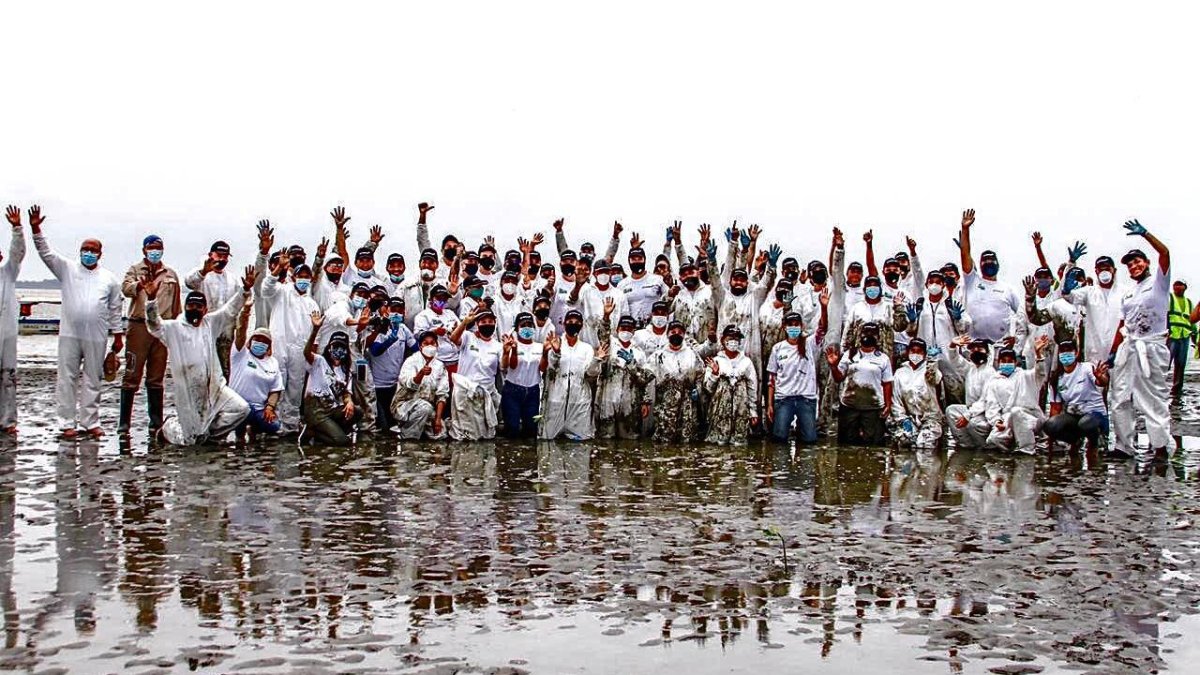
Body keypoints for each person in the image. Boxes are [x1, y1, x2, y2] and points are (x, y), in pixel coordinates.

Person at [31, 206, 125, 439]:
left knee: (93, 378)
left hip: (97, 335)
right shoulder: (67, 269)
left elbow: (115, 309)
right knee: (67, 377)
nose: (88, 253)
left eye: (93, 250)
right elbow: (46, 253)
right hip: (70, 334)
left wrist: (118, 336)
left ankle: (90, 422)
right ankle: (66, 423)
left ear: (100, 254)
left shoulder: (109, 279)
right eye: (85, 249)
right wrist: (36, 229)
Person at [146, 266, 254, 445]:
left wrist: (245, 290)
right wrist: (151, 300)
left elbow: (230, 310)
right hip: (189, 392)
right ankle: (168, 429)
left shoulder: (211, 323)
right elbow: (153, 324)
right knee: (191, 442)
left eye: (198, 306)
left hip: (215, 387)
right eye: (191, 305)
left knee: (242, 409)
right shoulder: (173, 328)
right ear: (185, 307)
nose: (194, 309)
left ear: (205, 309)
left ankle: (212, 435)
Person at [1108, 220, 1173, 458]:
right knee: (1120, 395)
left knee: (1153, 397)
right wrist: (1113, 353)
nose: (1134, 266)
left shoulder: (1158, 283)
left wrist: (1145, 233)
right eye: (1130, 264)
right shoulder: (1129, 292)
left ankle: (1161, 446)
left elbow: (1165, 253)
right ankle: (1123, 446)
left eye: (1137, 261)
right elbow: (1123, 324)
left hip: (1152, 347)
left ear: (1146, 263)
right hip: (1130, 346)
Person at [119, 234, 181, 435]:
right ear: (144, 250)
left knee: (156, 376)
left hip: (162, 327)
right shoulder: (135, 270)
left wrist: (175, 329)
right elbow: (126, 290)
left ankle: (155, 421)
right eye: (151, 248)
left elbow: (176, 305)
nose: (155, 251)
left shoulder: (170, 274)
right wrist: (140, 285)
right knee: (132, 374)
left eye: (158, 248)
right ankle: (124, 423)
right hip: (139, 326)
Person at [261, 262, 320, 434]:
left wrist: (312, 355)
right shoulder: (282, 291)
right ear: (293, 277)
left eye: (306, 277)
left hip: (299, 350)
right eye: (300, 276)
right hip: (279, 345)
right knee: (277, 383)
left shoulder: (312, 304)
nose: (303, 279)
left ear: (311, 279)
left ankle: (291, 425)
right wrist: (277, 270)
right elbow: (266, 289)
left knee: (295, 386)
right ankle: (272, 423)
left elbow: (316, 333)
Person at [957, 209, 1022, 344]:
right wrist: (965, 229)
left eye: (992, 260)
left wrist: (1016, 338)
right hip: (973, 346)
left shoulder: (1008, 289)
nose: (989, 262)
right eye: (985, 260)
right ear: (979, 265)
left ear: (998, 264)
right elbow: (965, 254)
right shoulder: (972, 281)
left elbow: (1022, 315)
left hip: (999, 347)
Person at [767, 302, 828, 444]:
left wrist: (824, 307)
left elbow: (822, 328)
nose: (793, 327)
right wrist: (770, 404)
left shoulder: (810, 344)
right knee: (779, 439)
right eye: (790, 325)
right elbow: (772, 378)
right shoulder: (778, 348)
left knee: (809, 440)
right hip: (783, 398)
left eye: (796, 324)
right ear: (784, 327)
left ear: (801, 326)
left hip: (806, 398)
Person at [539, 310, 604, 440]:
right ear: (563, 323)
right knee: (548, 442)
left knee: (582, 443)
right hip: (556, 399)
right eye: (570, 321)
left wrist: (596, 360)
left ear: (581, 325)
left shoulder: (587, 348)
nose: (573, 324)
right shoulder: (554, 343)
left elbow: (590, 373)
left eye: (577, 322)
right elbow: (550, 368)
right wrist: (556, 352)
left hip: (579, 400)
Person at [827, 322, 893, 446]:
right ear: (860, 335)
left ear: (878, 337)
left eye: (873, 333)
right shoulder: (849, 354)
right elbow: (839, 378)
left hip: (873, 407)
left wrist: (888, 405)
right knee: (846, 445)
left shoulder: (883, 358)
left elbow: (887, 383)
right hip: (849, 405)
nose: (869, 335)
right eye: (866, 332)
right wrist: (833, 366)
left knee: (874, 446)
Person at [982, 338, 1051, 454]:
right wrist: (996, 420)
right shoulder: (994, 381)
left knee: (1016, 412)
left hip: (1031, 417)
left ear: (1015, 362)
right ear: (998, 363)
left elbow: (1040, 373)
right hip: (1008, 419)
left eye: (1010, 361)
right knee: (993, 440)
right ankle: (1013, 449)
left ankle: (1027, 450)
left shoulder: (1026, 376)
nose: (1006, 363)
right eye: (1003, 361)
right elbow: (991, 404)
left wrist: (1038, 354)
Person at [595, 310, 655, 439]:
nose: (626, 331)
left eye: (629, 329)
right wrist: (606, 316)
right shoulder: (609, 345)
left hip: (630, 402)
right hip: (608, 399)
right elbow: (603, 334)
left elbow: (645, 379)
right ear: (617, 329)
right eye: (623, 328)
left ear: (633, 332)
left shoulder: (639, 353)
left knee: (630, 439)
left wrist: (645, 402)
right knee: (606, 438)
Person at [447, 305, 503, 440]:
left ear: (495, 323)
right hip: (465, 391)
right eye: (483, 322)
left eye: (490, 322)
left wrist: (507, 351)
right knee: (465, 431)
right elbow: (454, 339)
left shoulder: (498, 346)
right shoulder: (468, 336)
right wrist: (465, 323)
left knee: (484, 433)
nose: (487, 324)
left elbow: (504, 366)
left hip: (486, 392)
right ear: (477, 324)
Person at [302, 318, 361, 446]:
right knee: (343, 442)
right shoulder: (319, 362)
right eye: (336, 346)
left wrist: (349, 402)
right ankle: (312, 432)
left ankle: (332, 430)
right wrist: (315, 330)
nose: (339, 350)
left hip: (332, 407)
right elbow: (307, 352)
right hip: (315, 408)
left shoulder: (346, 371)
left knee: (357, 411)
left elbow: (346, 393)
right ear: (329, 347)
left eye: (342, 347)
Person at [184, 240, 238, 379]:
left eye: (225, 256)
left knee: (225, 370)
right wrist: (203, 271)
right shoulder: (200, 273)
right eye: (219, 255)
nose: (222, 259)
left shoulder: (232, 279)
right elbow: (189, 283)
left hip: (225, 332)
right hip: (203, 329)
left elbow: (239, 303)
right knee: (201, 369)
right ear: (210, 254)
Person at [1044, 340, 1110, 451]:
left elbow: (1101, 383)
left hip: (1094, 414)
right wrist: (1051, 438)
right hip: (1074, 415)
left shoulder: (1087, 368)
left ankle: (1096, 443)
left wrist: (1100, 377)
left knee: (1086, 424)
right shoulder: (1056, 378)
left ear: (1076, 353)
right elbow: (1055, 407)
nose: (1066, 354)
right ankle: (1074, 441)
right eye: (1062, 351)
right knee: (1050, 425)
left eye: (1069, 350)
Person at [648, 321, 706, 442]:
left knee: (687, 442)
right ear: (667, 334)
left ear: (684, 335)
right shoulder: (657, 356)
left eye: (680, 332)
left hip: (687, 406)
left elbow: (701, 375)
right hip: (666, 406)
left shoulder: (692, 354)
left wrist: (698, 390)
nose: (676, 334)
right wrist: (646, 401)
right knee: (664, 442)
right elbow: (645, 378)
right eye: (673, 332)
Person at [229, 316, 284, 441]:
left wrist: (270, 407)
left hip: (258, 409)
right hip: (237, 406)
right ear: (250, 340)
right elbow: (240, 332)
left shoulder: (273, 363)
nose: (260, 343)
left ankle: (254, 429)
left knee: (275, 426)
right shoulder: (240, 354)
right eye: (257, 339)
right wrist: (246, 312)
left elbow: (276, 389)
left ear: (269, 346)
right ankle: (239, 435)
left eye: (264, 341)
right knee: (243, 414)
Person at [703, 325, 759, 445]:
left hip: (741, 409)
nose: (733, 341)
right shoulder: (716, 360)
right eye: (730, 338)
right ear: (723, 340)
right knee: (718, 445)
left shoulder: (746, 362)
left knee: (740, 445)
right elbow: (708, 388)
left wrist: (753, 411)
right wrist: (715, 373)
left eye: (736, 339)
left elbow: (752, 387)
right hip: (720, 410)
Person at [366, 297, 416, 431]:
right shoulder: (378, 328)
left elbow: (416, 348)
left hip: (395, 384)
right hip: (378, 385)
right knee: (383, 426)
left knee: (394, 423)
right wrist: (389, 340)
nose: (397, 313)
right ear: (387, 310)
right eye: (394, 310)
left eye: (400, 311)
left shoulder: (404, 329)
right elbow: (375, 351)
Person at [1067, 255, 1125, 366]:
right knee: (1096, 382)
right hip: (1094, 356)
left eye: (1107, 268)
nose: (1104, 272)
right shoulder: (1088, 292)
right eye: (1100, 269)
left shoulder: (1125, 292)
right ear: (1096, 271)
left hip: (1120, 355)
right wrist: (1070, 266)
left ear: (1114, 270)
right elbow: (1068, 297)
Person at [391, 331, 450, 439]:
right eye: (426, 343)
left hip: (428, 408)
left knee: (441, 434)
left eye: (433, 343)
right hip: (404, 405)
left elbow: (442, 394)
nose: (430, 346)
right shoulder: (411, 361)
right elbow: (409, 384)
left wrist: (437, 419)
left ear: (437, 345)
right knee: (424, 408)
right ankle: (408, 438)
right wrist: (421, 374)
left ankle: (418, 429)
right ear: (420, 346)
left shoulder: (440, 365)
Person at [945, 336, 999, 449]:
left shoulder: (990, 372)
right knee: (951, 411)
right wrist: (952, 346)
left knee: (973, 423)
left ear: (987, 352)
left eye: (980, 349)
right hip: (971, 410)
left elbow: (985, 400)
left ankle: (985, 447)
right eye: (973, 349)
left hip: (986, 413)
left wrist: (968, 415)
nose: (976, 351)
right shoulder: (971, 369)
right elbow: (955, 361)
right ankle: (966, 445)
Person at [889, 337, 944, 448]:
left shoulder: (929, 370)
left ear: (924, 354)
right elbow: (896, 400)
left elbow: (934, 378)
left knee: (924, 445)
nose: (915, 354)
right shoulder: (900, 372)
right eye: (913, 351)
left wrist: (932, 361)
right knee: (904, 441)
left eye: (919, 352)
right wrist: (903, 419)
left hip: (930, 418)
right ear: (908, 352)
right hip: (909, 418)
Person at [0, 206, 26, 435]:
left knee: (8, 376)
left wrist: (17, 228)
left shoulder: (7, 273)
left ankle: (8, 421)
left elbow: (17, 253)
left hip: (6, 333)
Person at [500, 312, 545, 438]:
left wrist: (546, 353)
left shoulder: (539, 347)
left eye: (530, 325)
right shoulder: (510, 345)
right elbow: (509, 366)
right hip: (512, 390)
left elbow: (542, 368)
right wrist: (512, 351)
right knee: (512, 428)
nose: (527, 328)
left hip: (533, 391)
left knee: (531, 428)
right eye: (523, 325)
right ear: (517, 329)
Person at [1167, 279, 1200, 399]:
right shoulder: (1169, 298)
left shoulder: (1189, 302)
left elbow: (1192, 321)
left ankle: (1176, 391)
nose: (1177, 287)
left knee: (1180, 364)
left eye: (1180, 285)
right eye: (1176, 284)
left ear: (1185, 287)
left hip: (1185, 336)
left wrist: (1195, 338)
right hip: (1171, 336)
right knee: (1165, 363)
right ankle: (1158, 388)